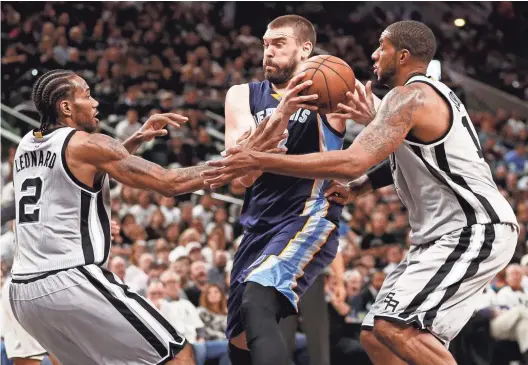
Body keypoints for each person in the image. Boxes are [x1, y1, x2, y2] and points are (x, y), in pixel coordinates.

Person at [204, 20, 519, 365]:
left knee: (397, 328)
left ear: (401, 56)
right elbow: (401, 158)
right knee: (377, 335)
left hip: (472, 226)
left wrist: (260, 158)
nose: (372, 55)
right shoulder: (411, 100)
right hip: (444, 234)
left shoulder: (411, 95)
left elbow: (353, 161)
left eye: (380, 48)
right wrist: (362, 187)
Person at [7, 69, 282, 365]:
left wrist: (135, 139)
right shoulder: (88, 144)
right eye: (87, 95)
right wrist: (238, 162)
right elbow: (170, 183)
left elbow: (86, 166)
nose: (96, 102)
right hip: (70, 280)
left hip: (23, 292)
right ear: (66, 107)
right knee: (178, 356)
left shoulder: (26, 145)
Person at [219, 14, 363, 365]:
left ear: (305, 48)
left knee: (258, 301)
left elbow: (383, 139)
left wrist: (366, 181)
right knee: (239, 341)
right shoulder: (242, 95)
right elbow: (242, 177)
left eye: (278, 43)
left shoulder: (332, 93)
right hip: (257, 226)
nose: (267, 52)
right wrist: (282, 112)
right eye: (265, 44)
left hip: (309, 218)